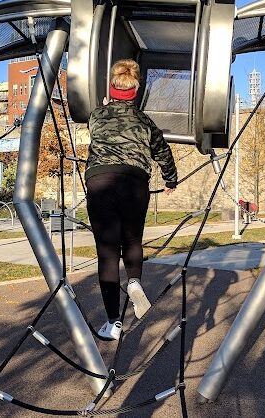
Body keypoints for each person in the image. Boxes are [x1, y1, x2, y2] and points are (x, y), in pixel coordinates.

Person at [85, 59, 178, 341]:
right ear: (135, 92)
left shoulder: (96, 115)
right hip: (135, 182)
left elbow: (99, 127)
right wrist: (170, 180)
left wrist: (105, 105)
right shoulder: (145, 121)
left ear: (112, 88)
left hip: (101, 182)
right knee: (133, 240)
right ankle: (135, 282)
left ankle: (113, 322)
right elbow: (163, 152)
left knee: (108, 251)